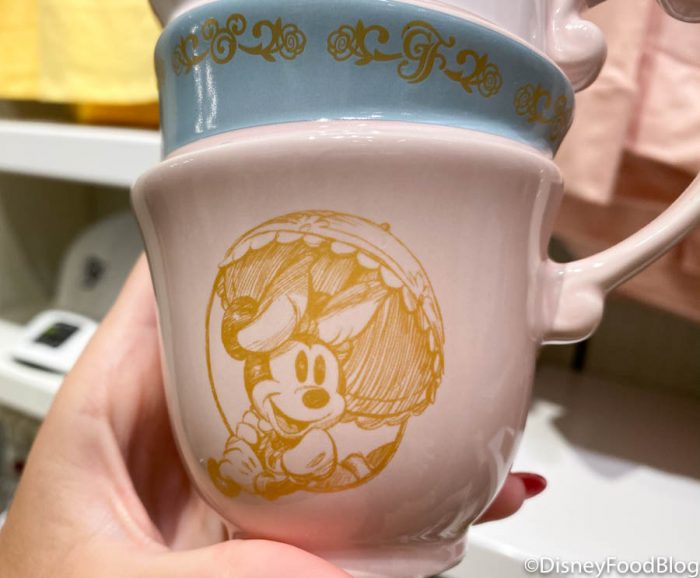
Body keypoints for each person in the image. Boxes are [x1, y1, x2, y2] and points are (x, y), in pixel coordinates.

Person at [0, 257, 546, 577]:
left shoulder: (336, 420)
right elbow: (246, 442)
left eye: (320, 376)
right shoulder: (262, 418)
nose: (309, 390)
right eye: (295, 376)